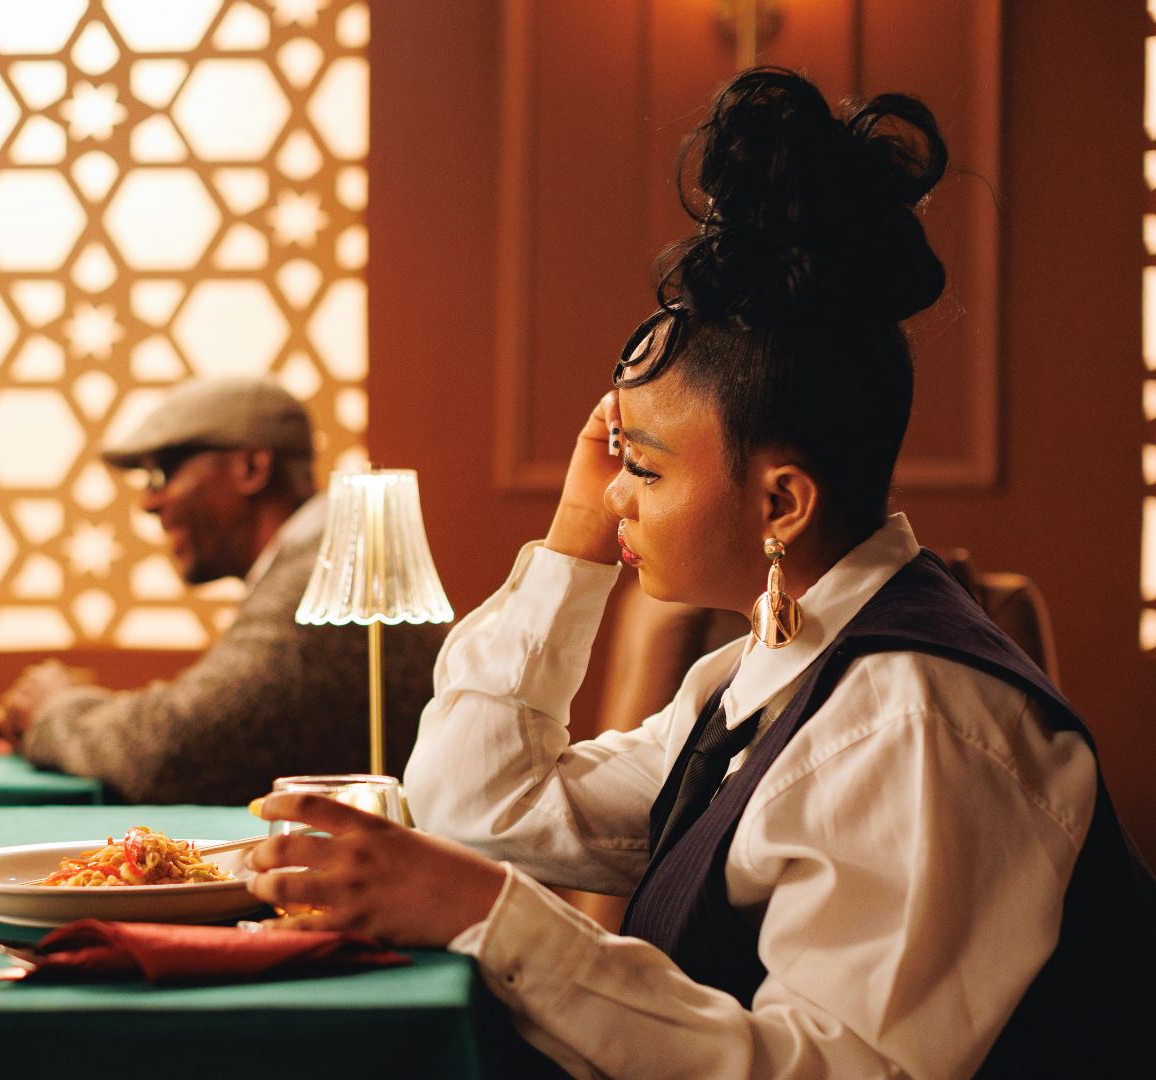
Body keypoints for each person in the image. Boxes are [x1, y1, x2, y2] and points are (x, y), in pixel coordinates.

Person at [245, 69, 1155, 1077]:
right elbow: (479, 806)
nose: (616, 496)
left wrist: (485, 912)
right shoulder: (764, 676)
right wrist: (577, 532)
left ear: (781, 504)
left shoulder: (910, 723)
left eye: (642, 467)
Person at [0, 376, 447, 803]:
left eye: (162, 474)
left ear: (251, 468)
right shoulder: (331, 552)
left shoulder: (324, 575)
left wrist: (54, 709)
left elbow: (169, 750)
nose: (149, 503)